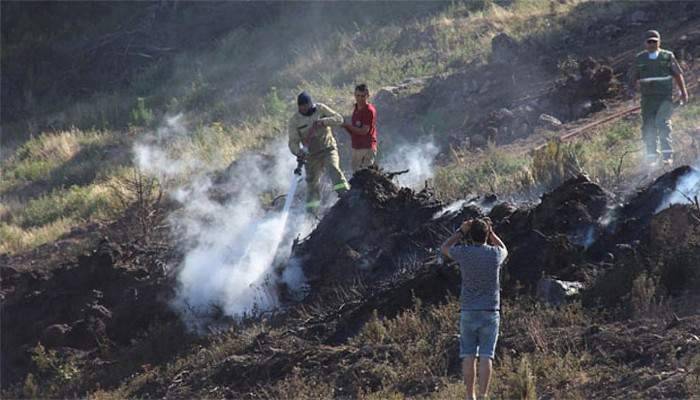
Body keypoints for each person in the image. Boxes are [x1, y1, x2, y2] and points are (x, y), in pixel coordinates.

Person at [440, 218, 508, 400]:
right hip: (490, 311)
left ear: (471, 236)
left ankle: (470, 396)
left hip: (469, 311)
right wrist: (492, 233)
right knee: (487, 355)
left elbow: (444, 248)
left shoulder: (464, 253)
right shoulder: (495, 255)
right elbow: (505, 249)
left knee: (468, 355)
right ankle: (484, 395)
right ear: (486, 235)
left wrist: (461, 232)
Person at [628, 30, 689, 167]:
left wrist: (683, 92)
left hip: (664, 98)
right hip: (648, 100)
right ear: (645, 43)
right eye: (649, 41)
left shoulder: (667, 56)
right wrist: (631, 90)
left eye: (654, 41)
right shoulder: (640, 59)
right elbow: (632, 77)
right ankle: (652, 156)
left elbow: (678, 75)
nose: (651, 44)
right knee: (648, 126)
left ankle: (667, 156)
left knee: (662, 123)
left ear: (659, 42)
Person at [288, 91, 350, 213]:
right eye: (302, 106)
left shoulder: (320, 109)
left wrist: (323, 121)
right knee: (312, 184)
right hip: (311, 156)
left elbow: (339, 119)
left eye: (307, 105)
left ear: (311, 103)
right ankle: (312, 212)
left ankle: (346, 195)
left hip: (328, 149)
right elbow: (292, 142)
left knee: (333, 168)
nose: (305, 108)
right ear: (299, 107)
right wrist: (298, 151)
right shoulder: (295, 121)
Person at [342, 83, 378, 172]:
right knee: (356, 175)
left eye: (363, 96)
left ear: (368, 96)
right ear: (354, 95)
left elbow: (364, 131)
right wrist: (345, 126)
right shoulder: (356, 108)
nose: (360, 98)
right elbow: (354, 130)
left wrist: (347, 126)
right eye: (358, 96)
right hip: (357, 147)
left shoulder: (369, 110)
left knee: (365, 175)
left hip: (367, 148)